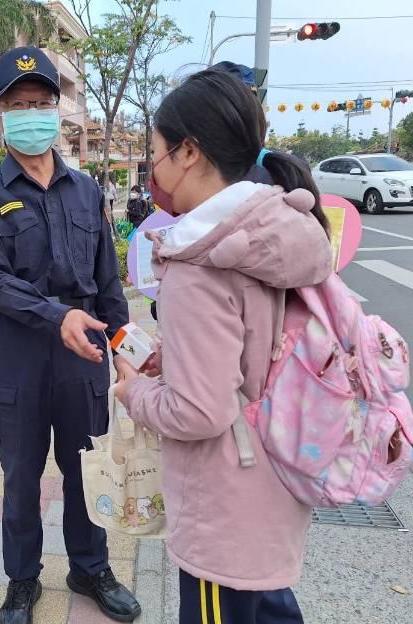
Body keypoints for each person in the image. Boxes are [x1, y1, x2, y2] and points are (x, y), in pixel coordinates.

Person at [114, 68, 332, 623]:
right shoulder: (278, 228)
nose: (155, 169)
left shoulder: (196, 264)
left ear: (188, 152)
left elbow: (198, 410)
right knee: (270, 610)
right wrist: (179, 359)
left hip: (223, 508)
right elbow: (249, 356)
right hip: (275, 480)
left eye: (157, 152)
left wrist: (135, 391)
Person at [0, 46, 141, 624]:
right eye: (19, 105)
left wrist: (126, 352)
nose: (32, 113)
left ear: (58, 111)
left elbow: (107, 280)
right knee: (20, 476)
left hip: (84, 354)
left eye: (41, 103)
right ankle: (21, 580)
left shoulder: (87, 190)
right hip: (18, 357)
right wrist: (52, 315)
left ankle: (90, 567)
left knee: (87, 467)